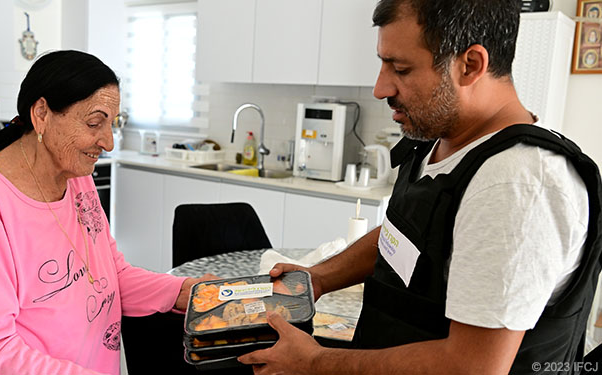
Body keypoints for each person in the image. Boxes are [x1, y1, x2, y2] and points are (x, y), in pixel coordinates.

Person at [239, 0, 602, 374]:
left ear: (470, 65)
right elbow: (407, 238)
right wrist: (318, 278)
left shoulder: (517, 184)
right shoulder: (443, 137)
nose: (381, 88)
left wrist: (315, 362)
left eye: (401, 68)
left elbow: (472, 367)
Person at [0, 50, 214, 374]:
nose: (108, 142)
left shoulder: (76, 178)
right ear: (42, 114)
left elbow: (108, 276)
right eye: (94, 123)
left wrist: (179, 292)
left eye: (111, 124)